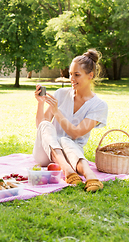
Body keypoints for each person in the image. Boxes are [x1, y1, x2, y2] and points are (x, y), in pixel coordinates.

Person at [33, 49, 108, 192]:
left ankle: (90, 176)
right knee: (46, 126)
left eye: (77, 75)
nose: (71, 79)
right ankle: (66, 169)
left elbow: (76, 134)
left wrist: (57, 111)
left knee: (66, 140)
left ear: (90, 76)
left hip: (73, 154)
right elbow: (40, 126)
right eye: (70, 74)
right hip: (46, 153)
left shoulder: (99, 105)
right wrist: (40, 103)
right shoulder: (61, 94)